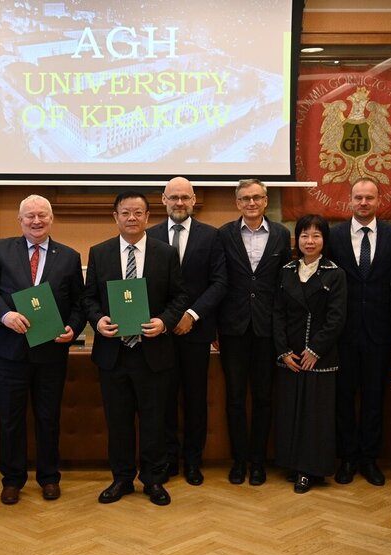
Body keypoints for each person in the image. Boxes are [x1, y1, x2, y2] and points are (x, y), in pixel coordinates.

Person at [0, 194, 85, 505]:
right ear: (19, 220)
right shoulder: (0, 249)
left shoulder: (69, 256)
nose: (36, 221)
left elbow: (78, 302)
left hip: (51, 353)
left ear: (51, 219)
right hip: (10, 353)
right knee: (10, 419)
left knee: (48, 418)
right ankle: (12, 480)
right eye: (30, 216)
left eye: (42, 216)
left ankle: (49, 477)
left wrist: (73, 328)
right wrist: (5, 315)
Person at [82, 191, 188, 506]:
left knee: (155, 420)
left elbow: (180, 297)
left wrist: (165, 322)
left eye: (138, 213)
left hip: (152, 352)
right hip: (113, 354)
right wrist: (98, 320)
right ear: (115, 217)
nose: (132, 218)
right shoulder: (99, 253)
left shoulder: (165, 253)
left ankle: (154, 481)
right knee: (118, 420)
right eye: (125, 212)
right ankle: (122, 479)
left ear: (147, 217)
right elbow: (87, 299)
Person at [146, 177, 227, 486]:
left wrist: (192, 315)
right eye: (173, 197)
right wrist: (166, 320)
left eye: (185, 198)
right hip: (159, 333)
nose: (179, 203)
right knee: (163, 400)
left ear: (194, 201)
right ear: (163, 201)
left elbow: (219, 282)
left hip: (196, 331)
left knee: (195, 400)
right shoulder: (149, 236)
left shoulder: (212, 236)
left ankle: (193, 461)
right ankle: (167, 461)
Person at [326, 177, 391, 487]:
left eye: (369, 198)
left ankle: (369, 459)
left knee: (374, 397)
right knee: (344, 397)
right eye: (358, 197)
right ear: (350, 200)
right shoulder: (334, 236)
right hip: (343, 330)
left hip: (379, 330)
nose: (363, 203)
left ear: (378, 200)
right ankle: (347, 457)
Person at [216, 178, 291, 486]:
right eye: (245, 198)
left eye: (256, 198)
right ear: (238, 203)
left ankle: (258, 462)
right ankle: (239, 461)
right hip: (232, 329)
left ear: (265, 201)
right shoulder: (224, 234)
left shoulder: (281, 235)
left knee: (262, 398)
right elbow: (219, 281)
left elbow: (284, 285)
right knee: (234, 398)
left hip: (267, 329)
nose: (251, 203)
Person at [273, 215, 346, 494]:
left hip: (320, 357)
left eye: (316, 236)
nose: (310, 241)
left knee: (316, 415)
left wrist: (316, 349)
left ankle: (310, 469)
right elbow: (276, 315)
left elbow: (337, 318)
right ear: (297, 240)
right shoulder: (286, 271)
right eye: (304, 235)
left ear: (324, 240)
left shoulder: (334, 273)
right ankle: (292, 463)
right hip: (290, 358)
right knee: (291, 410)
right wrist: (283, 351)